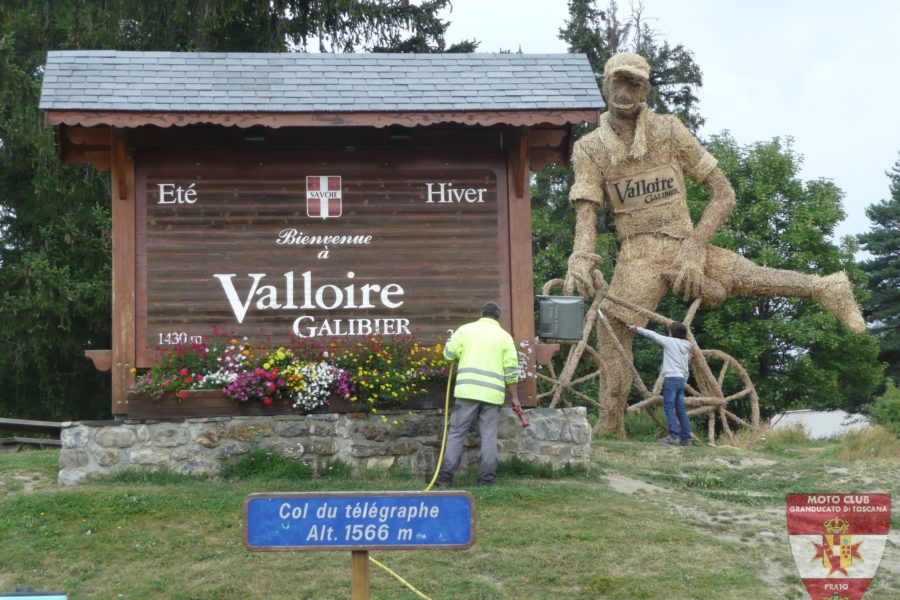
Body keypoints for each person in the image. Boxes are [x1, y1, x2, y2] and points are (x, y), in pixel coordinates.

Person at [564, 52, 866, 437]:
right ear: (605, 83)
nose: (624, 92)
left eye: (634, 84)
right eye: (618, 82)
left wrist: (693, 247)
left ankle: (827, 287)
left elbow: (724, 193)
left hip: (685, 243)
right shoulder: (589, 149)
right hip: (638, 255)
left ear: (645, 90)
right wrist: (581, 254)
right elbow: (586, 211)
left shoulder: (670, 131)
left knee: (747, 275)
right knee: (612, 323)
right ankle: (612, 421)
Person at [436, 302, 522, 487]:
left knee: (456, 433)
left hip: (467, 392)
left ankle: (444, 478)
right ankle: (486, 481)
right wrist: (514, 397)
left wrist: (456, 354)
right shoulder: (504, 337)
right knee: (489, 436)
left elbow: (449, 354)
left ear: (481, 313)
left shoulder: (465, 330)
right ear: (498, 317)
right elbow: (511, 369)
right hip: (492, 396)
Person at [627, 322, 693, 445]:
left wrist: (636, 329)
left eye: (670, 331)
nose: (668, 333)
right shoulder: (686, 346)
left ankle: (673, 436)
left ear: (672, 333)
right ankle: (686, 438)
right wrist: (684, 381)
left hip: (671, 379)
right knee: (680, 409)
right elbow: (685, 368)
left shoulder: (670, 342)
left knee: (669, 408)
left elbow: (653, 335)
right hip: (680, 380)